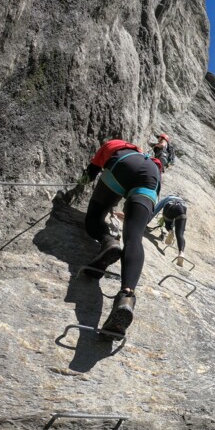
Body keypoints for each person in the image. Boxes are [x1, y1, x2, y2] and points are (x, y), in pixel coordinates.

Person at [73, 138, 164, 336]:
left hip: (123, 164)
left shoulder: (113, 145)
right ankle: (126, 296)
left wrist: (78, 184)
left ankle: (108, 241)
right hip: (151, 176)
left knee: (94, 220)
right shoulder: (153, 161)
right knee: (134, 238)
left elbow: (90, 174)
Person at [153, 195, 188, 261]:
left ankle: (170, 230)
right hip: (182, 209)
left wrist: (146, 221)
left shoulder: (167, 198)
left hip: (169, 207)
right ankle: (181, 253)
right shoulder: (183, 202)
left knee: (168, 225)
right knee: (180, 234)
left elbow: (155, 209)